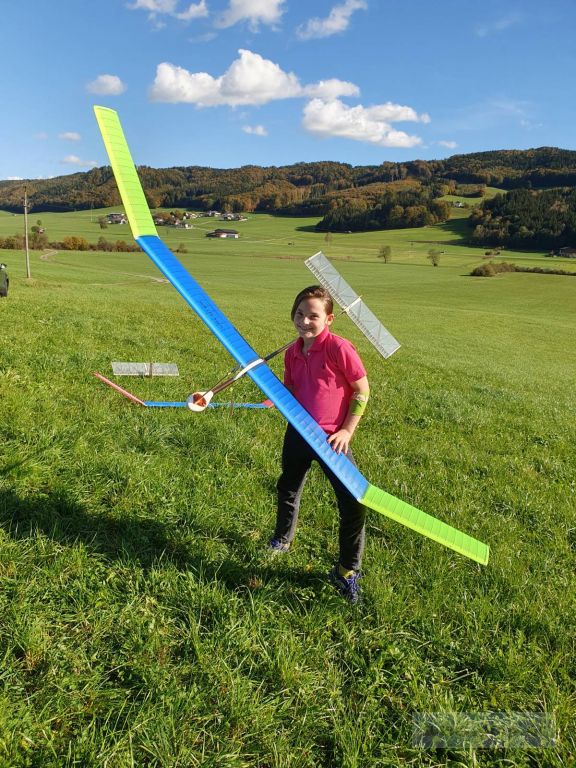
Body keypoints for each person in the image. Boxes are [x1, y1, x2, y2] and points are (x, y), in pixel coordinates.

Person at [269, 285, 370, 603]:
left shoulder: (339, 349)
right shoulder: (292, 351)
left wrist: (346, 432)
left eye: (313, 316)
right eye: (299, 314)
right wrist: (273, 396)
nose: (304, 321)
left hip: (331, 442)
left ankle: (346, 571)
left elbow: (362, 392)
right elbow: (291, 387)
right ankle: (282, 540)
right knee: (287, 488)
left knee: (354, 504)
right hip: (298, 432)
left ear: (329, 319)